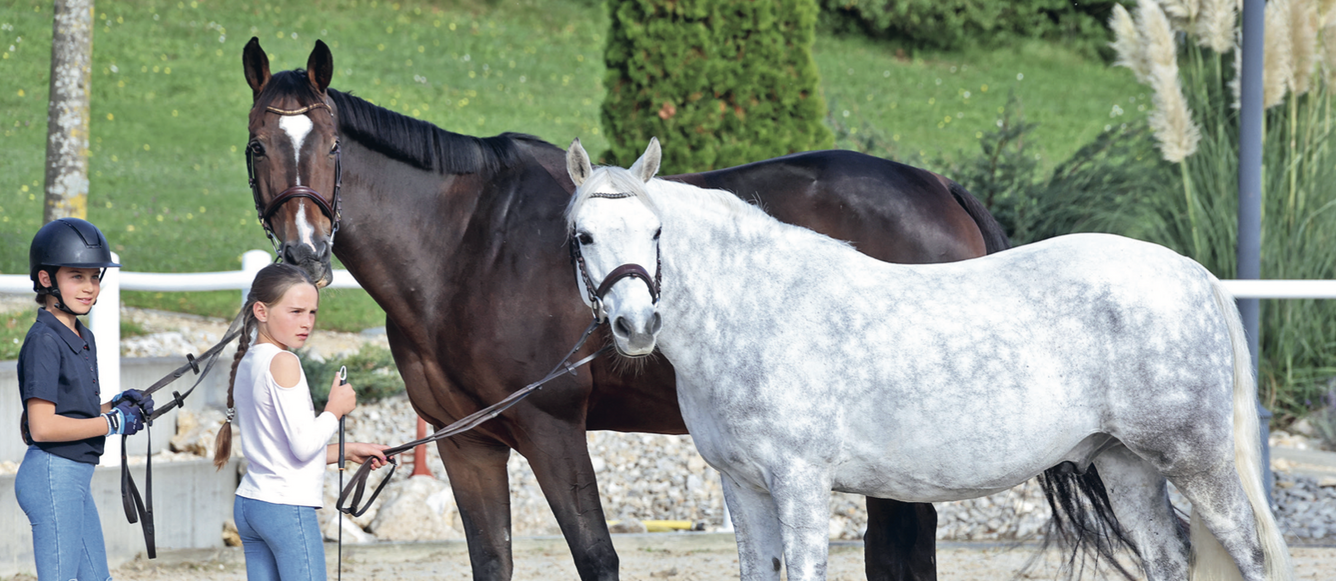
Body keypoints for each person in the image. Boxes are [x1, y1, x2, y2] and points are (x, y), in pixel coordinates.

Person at [213, 263, 389, 581]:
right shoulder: (285, 361)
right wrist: (334, 410)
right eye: (295, 311)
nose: (306, 323)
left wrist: (348, 451)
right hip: (285, 507)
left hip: (252, 503)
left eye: (311, 312)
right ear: (261, 311)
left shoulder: (249, 359)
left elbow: (286, 452)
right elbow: (304, 446)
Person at [15, 217, 154, 580]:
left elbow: (76, 413)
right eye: (77, 276)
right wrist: (112, 423)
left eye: (94, 277)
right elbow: (42, 427)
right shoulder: (44, 340)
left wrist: (120, 405)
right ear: (46, 279)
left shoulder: (82, 336)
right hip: (51, 476)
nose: (90, 287)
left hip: (73, 478)